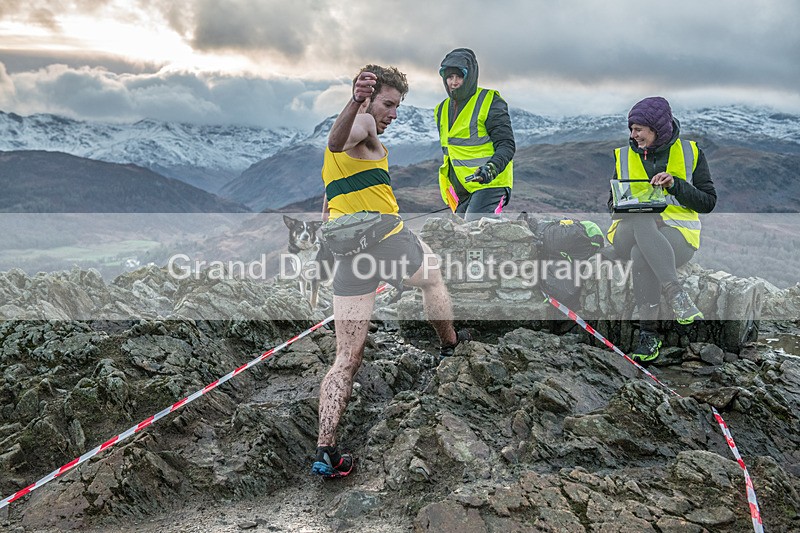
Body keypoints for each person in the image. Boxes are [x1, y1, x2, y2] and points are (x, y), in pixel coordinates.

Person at [313, 65, 468, 479]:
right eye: (389, 104)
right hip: (386, 239)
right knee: (434, 277)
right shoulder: (359, 121)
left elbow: (329, 202)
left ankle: (326, 451)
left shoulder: (343, 149)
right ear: (367, 99)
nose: (394, 114)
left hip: (348, 252)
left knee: (346, 357)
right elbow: (339, 137)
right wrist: (356, 101)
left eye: (397, 106)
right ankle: (450, 344)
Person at [606, 96, 717, 362]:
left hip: (676, 235)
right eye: (631, 129)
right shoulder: (623, 155)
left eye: (638, 129)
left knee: (642, 254)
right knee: (642, 219)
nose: (633, 135)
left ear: (657, 129)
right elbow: (611, 203)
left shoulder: (691, 152)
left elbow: (708, 202)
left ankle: (649, 335)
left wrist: (676, 185)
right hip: (626, 232)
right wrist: (632, 207)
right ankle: (676, 293)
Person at [434, 48, 515, 221]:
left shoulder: (490, 101)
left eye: (459, 76)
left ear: (470, 76)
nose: (454, 82)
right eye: (449, 77)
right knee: (461, 238)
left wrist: (491, 169)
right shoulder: (440, 110)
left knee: (474, 231)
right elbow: (451, 153)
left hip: (491, 183)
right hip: (461, 189)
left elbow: (507, 145)